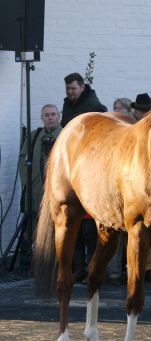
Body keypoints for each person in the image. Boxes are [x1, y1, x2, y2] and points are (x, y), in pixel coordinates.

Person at [61, 72, 107, 282]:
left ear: (82, 87)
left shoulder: (94, 106)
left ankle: (93, 268)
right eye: (68, 89)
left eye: (73, 89)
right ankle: (78, 269)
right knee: (75, 228)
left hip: (88, 162)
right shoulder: (68, 105)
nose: (70, 93)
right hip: (73, 162)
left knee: (90, 230)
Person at [19, 104, 62, 266]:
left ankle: (56, 262)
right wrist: (26, 180)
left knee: (55, 225)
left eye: (53, 114)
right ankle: (33, 260)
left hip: (57, 191)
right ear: (42, 118)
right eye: (46, 115)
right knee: (33, 224)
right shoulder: (34, 136)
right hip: (35, 188)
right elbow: (22, 157)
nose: (50, 117)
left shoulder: (66, 135)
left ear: (58, 116)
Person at [131, 93, 151, 282]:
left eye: (145, 111)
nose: (142, 114)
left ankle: (149, 267)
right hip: (133, 177)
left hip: (149, 178)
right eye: (140, 111)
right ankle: (133, 265)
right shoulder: (129, 126)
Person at [107, 98, 134, 285]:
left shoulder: (135, 128)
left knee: (131, 237)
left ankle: (131, 271)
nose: (117, 111)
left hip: (131, 189)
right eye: (115, 108)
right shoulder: (111, 129)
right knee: (113, 233)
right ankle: (114, 272)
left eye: (121, 108)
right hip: (115, 188)